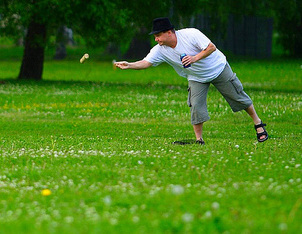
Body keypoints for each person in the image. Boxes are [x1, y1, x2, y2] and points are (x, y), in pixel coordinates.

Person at [114, 17, 268, 144]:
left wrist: (194, 58)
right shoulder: (160, 49)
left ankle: (258, 123)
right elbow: (146, 63)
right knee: (196, 105)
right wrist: (129, 65)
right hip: (196, 77)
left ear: (169, 32)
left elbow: (211, 47)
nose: (156, 39)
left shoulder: (191, 34)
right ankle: (199, 140)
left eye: (158, 35)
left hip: (217, 68)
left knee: (238, 97)